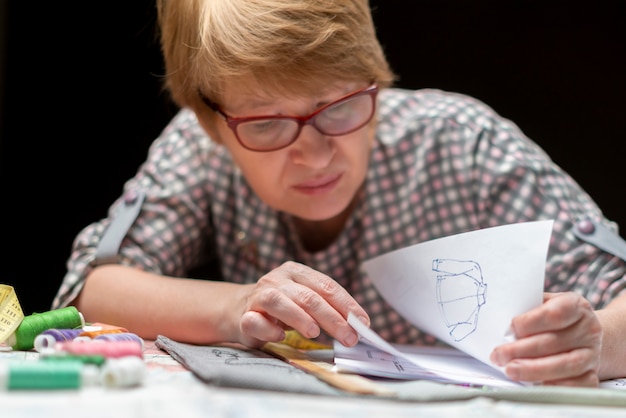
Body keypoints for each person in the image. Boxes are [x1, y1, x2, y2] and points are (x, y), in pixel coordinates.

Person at [52, 0, 626, 388]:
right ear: (211, 123)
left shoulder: (462, 143)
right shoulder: (201, 149)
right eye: (268, 125)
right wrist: (234, 307)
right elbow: (93, 290)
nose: (314, 153)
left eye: (342, 107)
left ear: (376, 80)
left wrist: (596, 345)